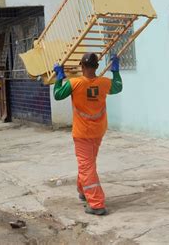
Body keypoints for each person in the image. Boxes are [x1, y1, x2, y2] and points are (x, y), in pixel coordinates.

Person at [53, 52, 122, 216]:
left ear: (81, 67)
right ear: (97, 67)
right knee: (88, 163)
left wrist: (58, 77)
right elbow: (118, 86)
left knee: (86, 166)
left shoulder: (74, 83)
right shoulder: (104, 83)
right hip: (98, 131)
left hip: (82, 133)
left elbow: (57, 95)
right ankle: (83, 190)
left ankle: (97, 204)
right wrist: (116, 70)